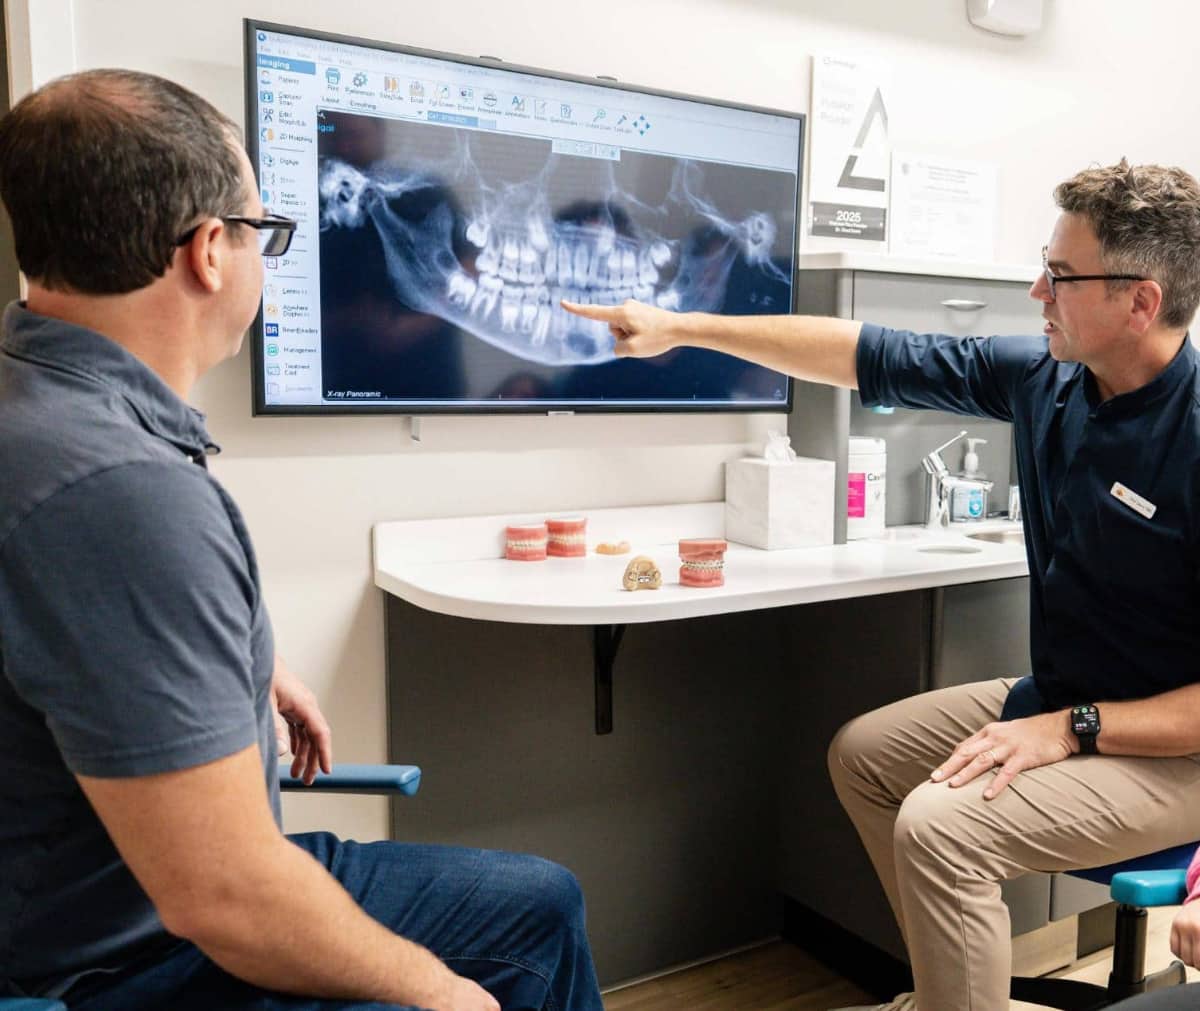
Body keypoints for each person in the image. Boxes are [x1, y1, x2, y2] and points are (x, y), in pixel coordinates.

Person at [0, 69, 603, 1011]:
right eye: (263, 234)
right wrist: (442, 991)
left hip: (104, 894)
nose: (263, 257)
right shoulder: (120, 492)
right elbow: (229, 898)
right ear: (209, 252)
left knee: (536, 899)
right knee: (508, 946)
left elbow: (83, 621)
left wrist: (246, 659)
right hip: (132, 958)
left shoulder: (47, 405)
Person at [564, 159, 1200, 1011]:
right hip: (1065, 703)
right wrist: (684, 327)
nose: (1035, 289)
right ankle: (956, 997)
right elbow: (869, 354)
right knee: (865, 758)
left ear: (1141, 302)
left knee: (942, 828)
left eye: (1061, 274)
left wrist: (1074, 729)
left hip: (1170, 751)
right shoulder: (1050, 380)